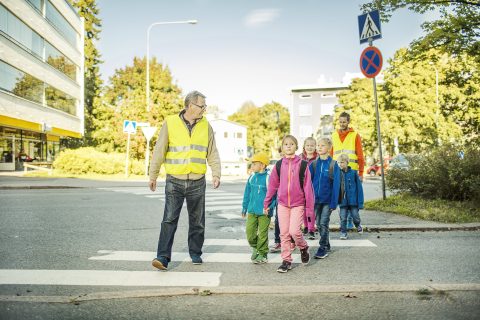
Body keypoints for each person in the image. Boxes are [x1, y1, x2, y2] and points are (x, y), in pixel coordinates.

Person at [149, 90, 221, 271]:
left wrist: (216, 173)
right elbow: (160, 149)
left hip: (197, 181)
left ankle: (195, 252)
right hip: (175, 180)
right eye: (201, 105)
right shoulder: (170, 122)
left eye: (205, 106)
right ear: (190, 106)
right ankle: (163, 257)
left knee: (197, 221)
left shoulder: (206, 125)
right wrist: (153, 174)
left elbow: (212, 151)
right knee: (169, 219)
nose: (204, 109)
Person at [264, 135, 314, 273]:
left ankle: (303, 247)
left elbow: (308, 189)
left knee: (294, 231)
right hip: (283, 204)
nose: (288, 146)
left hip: (298, 204)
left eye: (291, 144)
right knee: (284, 234)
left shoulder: (303, 165)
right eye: (286, 144)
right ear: (282, 147)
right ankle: (286, 260)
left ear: (296, 147)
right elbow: (273, 186)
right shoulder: (279, 165)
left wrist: (310, 210)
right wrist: (267, 202)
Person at [331, 112, 365, 229]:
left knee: (352, 195)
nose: (342, 124)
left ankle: (351, 220)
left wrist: (361, 172)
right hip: (338, 171)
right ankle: (344, 220)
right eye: (340, 121)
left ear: (348, 122)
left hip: (352, 170)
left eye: (344, 122)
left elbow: (360, 154)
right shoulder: (334, 135)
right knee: (341, 195)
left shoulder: (355, 135)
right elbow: (332, 154)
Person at [309, 138, 340, 259]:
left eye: (322, 145)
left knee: (323, 223)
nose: (319, 147)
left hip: (328, 201)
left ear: (329, 148)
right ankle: (327, 243)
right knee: (318, 224)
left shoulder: (333, 165)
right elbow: (308, 183)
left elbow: (336, 185)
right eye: (318, 145)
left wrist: (334, 203)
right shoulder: (314, 164)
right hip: (316, 201)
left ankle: (322, 247)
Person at [242, 152, 274, 264]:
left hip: (264, 212)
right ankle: (255, 247)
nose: (252, 166)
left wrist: (269, 207)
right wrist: (244, 207)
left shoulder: (268, 178)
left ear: (262, 165)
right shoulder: (251, 177)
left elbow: (274, 195)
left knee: (262, 233)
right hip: (252, 210)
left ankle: (263, 254)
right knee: (249, 233)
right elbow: (247, 193)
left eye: (254, 164)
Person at [336, 154, 364, 240]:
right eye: (339, 162)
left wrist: (360, 203)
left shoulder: (353, 173)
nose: (340, 164)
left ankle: (358, 225)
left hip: (353, 201)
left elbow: (359, 188)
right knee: (343, 218)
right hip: (342, 201)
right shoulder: (337, 174)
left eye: (342, 162)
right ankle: (343, 232)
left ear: (347, 162)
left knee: (355, 216)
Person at [300, 137, 318, 240]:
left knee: (310, 210)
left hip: (313, 187)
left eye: (312, 145)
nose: (310, 147)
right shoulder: (300, 158)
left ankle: (311, 229)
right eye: (308, 145)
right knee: (303, 208)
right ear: (304, 146)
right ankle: (305, 226)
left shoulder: (317, 158)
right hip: (301, 187)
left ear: (315, 147)